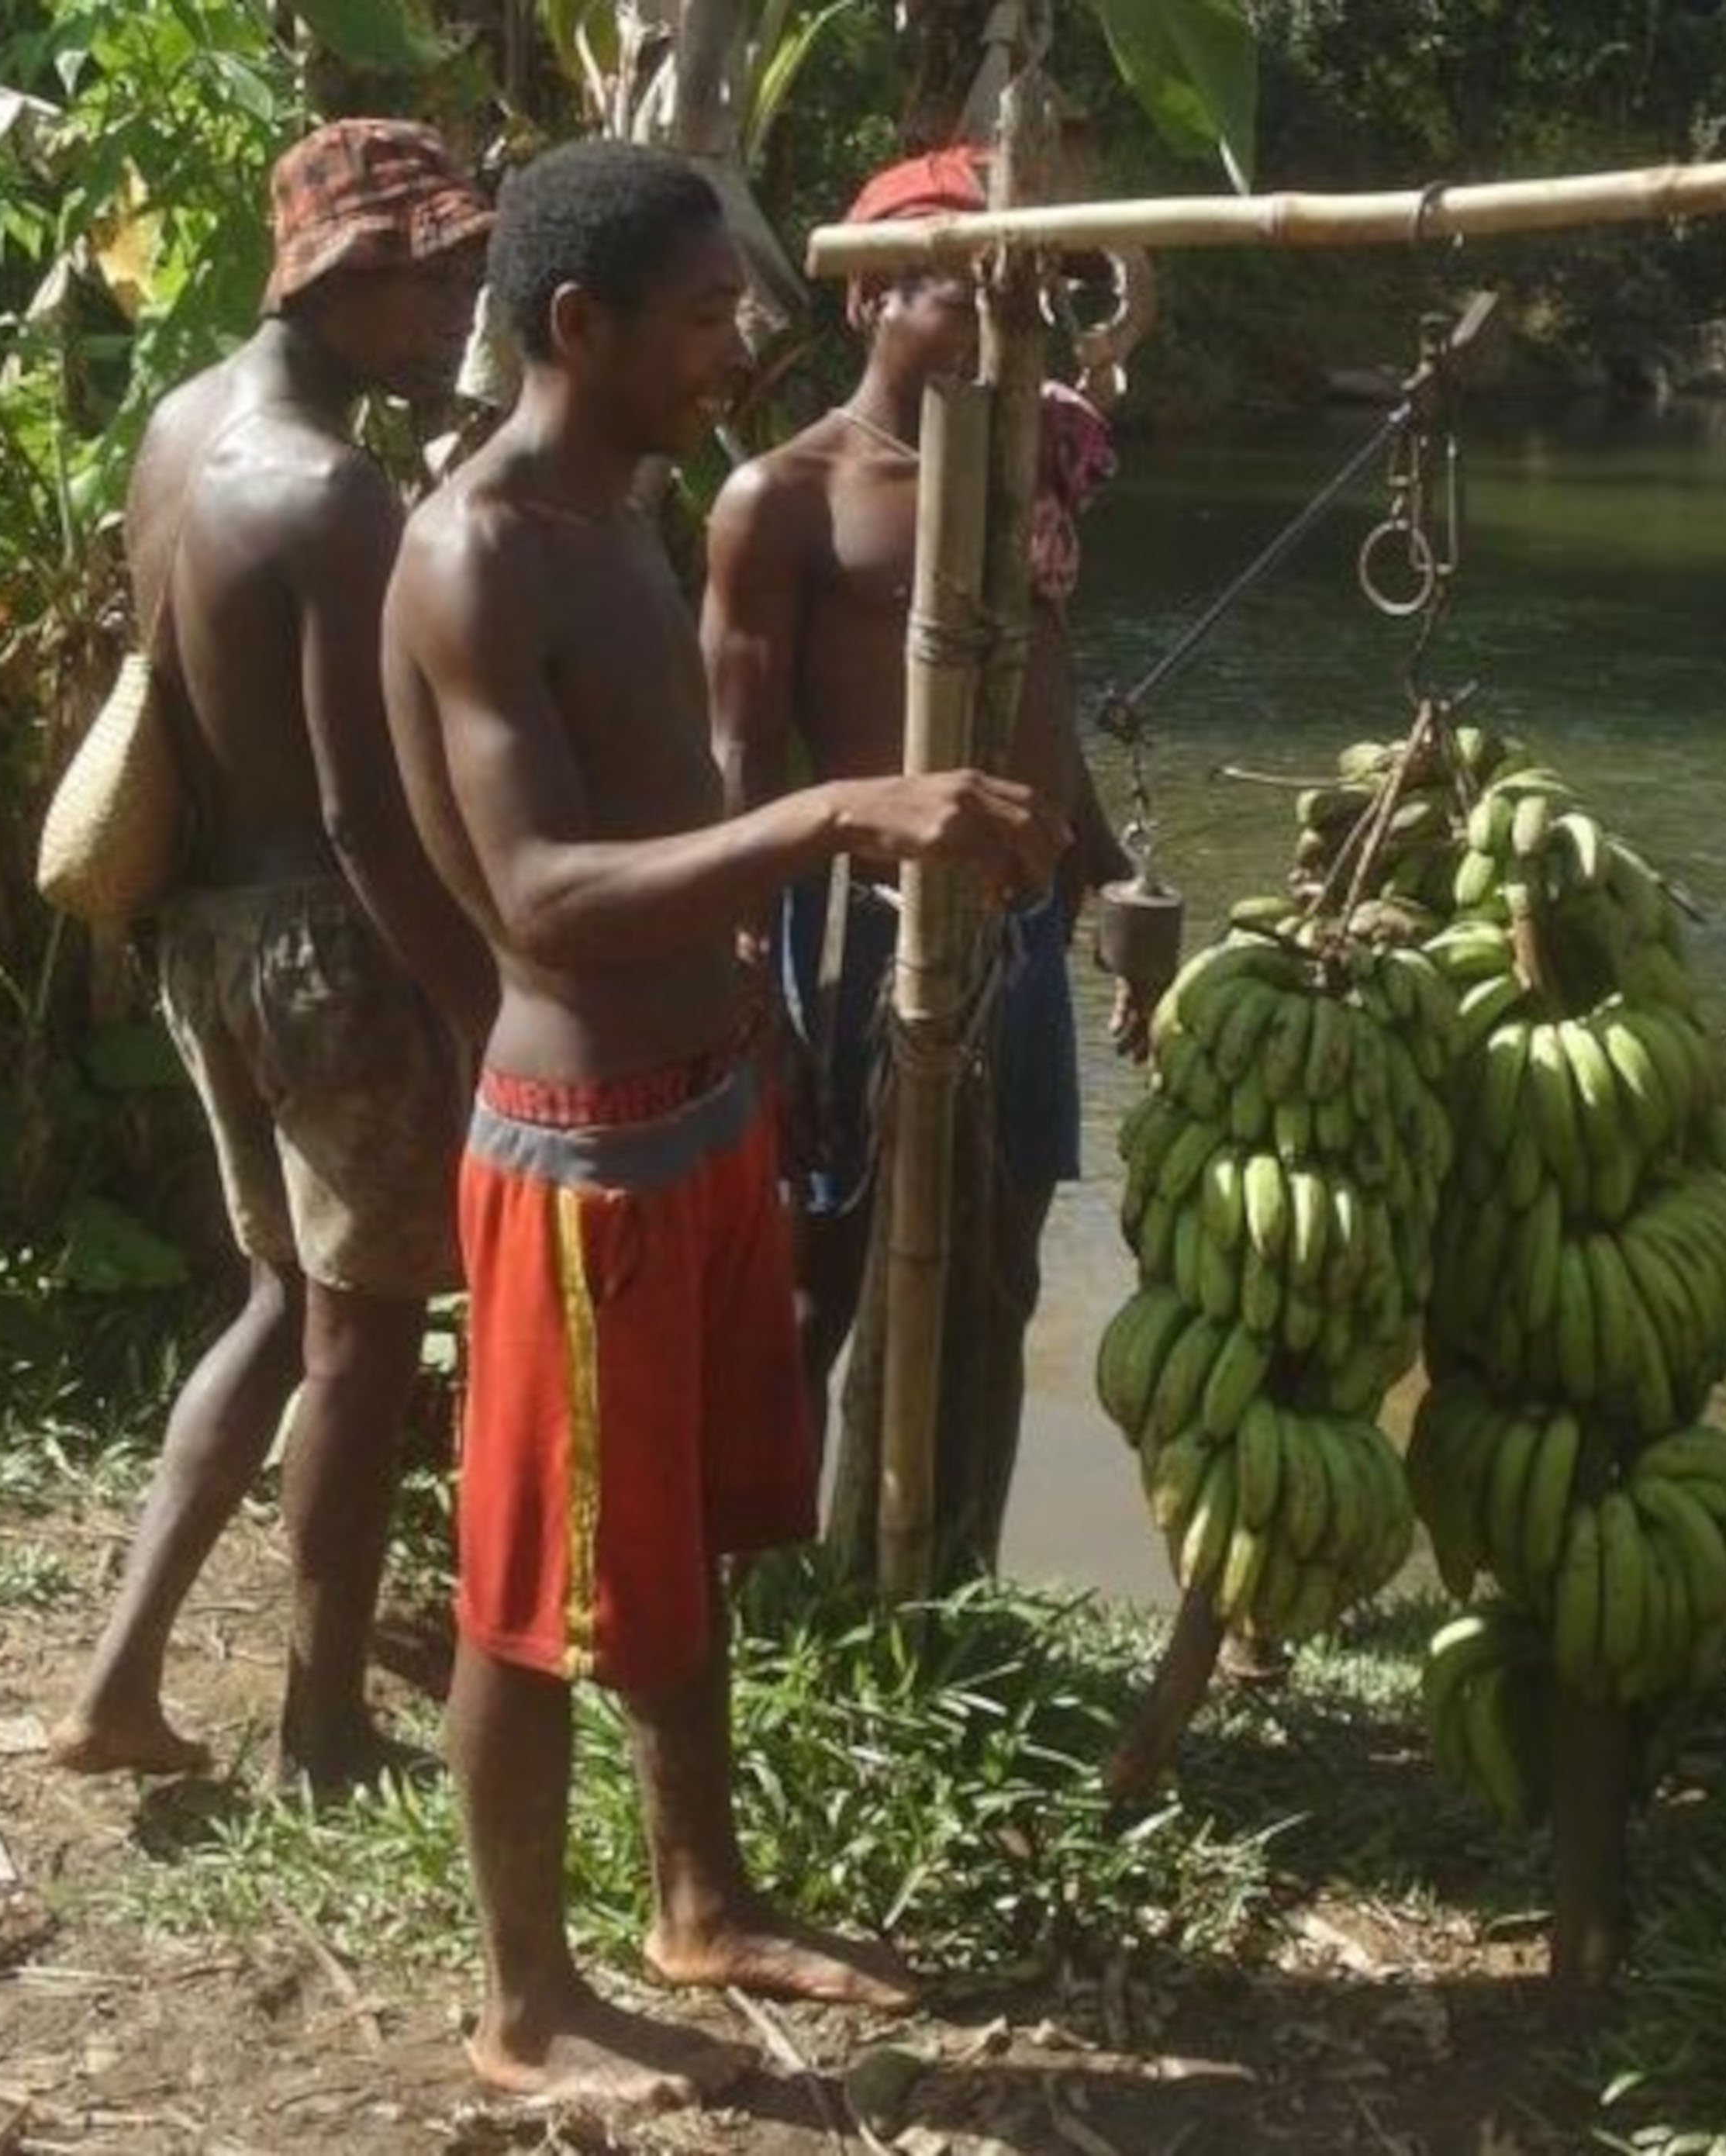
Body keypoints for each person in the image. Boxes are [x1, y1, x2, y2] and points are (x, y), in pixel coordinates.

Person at [379, 139, 1066, 2106]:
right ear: (577, 327)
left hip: (701, 1106)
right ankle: (524, 2007)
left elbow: (682, 791)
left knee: (675, 1523)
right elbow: (539, 896)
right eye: (702, 317)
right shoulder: (480, 547)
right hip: (582, 1140)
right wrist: (839, 819)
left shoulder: (631, 504)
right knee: (528, 1593)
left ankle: (702, 1895)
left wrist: (759, 1020)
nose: (738, 346)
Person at [53, 119, 498, 1798]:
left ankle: (119, 1676)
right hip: (326, 954)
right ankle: (324, 1725)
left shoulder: (180, 430)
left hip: (204, 938)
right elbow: (368, 814)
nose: (460, 309)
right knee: (363, 1340)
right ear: (347, 272)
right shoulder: (331, 491)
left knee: (283, 1301)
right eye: (438, 274)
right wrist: (481, 1002)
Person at [702, 147, 1133, 1564]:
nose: (1014, 319)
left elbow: (1044, 697)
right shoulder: (789, 496)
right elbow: (744, 757)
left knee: (996, 1268)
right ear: (869, 301)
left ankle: (951, 1576)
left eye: (1034, 291)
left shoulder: (1029, 473)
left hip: (1015, 933)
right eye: (971, 285)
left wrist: (1104, 871)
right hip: (854, 930)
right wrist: (754, 975)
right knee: (826, 1276)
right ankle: (779, 1583)